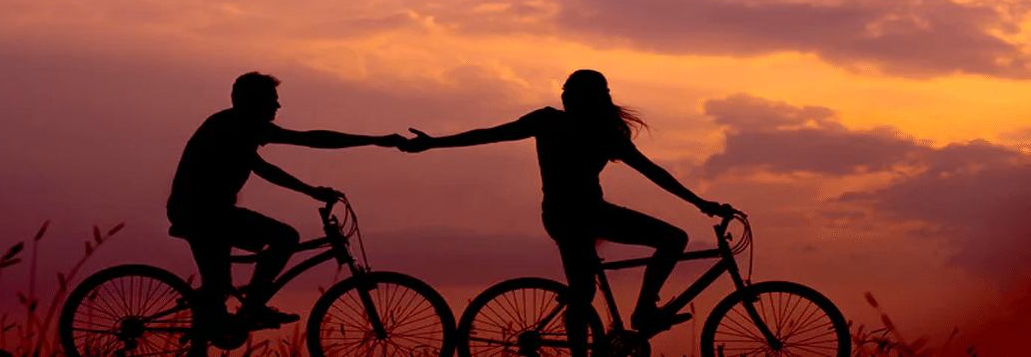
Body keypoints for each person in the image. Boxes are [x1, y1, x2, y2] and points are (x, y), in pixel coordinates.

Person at [399, 69, 735, 357]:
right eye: (565, 93)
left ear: (583, 97)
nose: (565, 98)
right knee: (673, 239)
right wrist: (701, 204)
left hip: (563, 215)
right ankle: (645, 309)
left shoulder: (566, 125)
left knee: (583, 291)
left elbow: (487, 136)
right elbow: (488, 136)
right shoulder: (588, 130)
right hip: (585, 214)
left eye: (570, 93)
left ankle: (596, 342)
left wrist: (433, 143)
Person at [168, 71, 401, 334]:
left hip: (207, 214)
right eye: (272, 100)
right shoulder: (235, 125)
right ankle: (252, 307)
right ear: (253, 102)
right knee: (285, 237)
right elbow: (308, 140)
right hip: (202, 214)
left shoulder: (235, 127)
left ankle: (221, 318)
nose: (278, 106)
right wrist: (374, 140)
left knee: (218, 291)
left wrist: (311, 190)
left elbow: (264, 166)